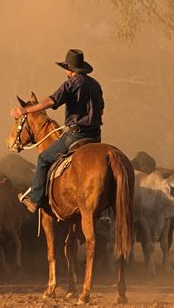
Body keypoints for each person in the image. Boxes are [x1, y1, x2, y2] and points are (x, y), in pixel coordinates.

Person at [9, 49, 105, 213]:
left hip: (76, 135)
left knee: (44, 158)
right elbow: (101, 109)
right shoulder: (95, 84)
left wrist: (26, 111)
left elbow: (50, 101)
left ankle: (35, 199)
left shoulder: (71, 84)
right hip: (95, 136)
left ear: (69, 70)